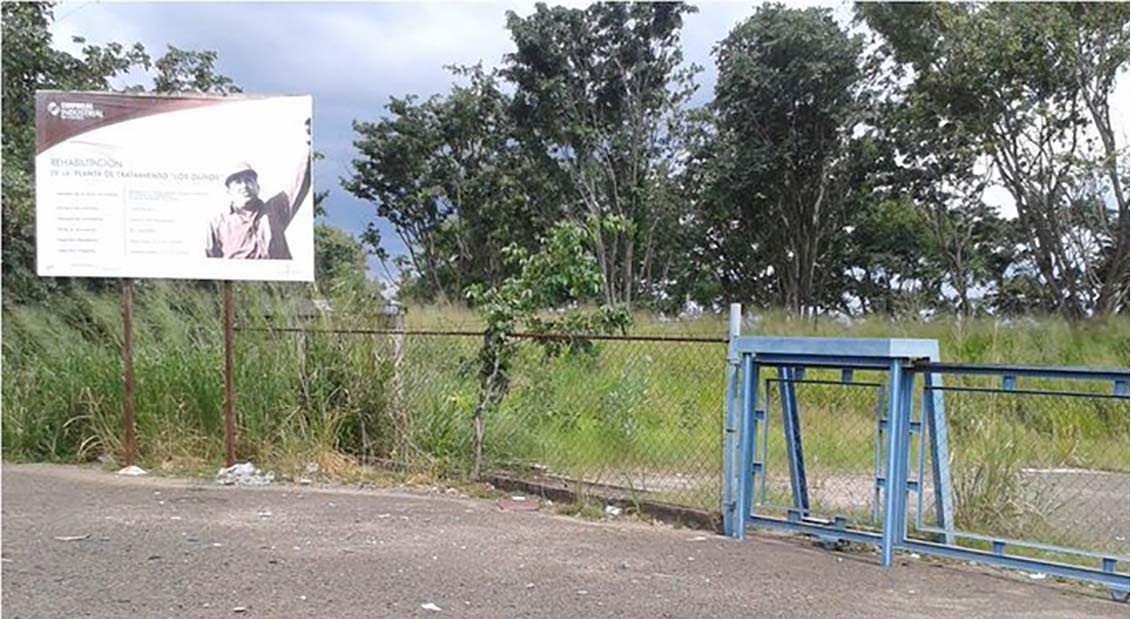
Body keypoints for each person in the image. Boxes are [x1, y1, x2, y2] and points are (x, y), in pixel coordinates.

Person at [205, 141, 311, 260]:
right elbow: (209, 261)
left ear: (258, 187)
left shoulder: (274, 210)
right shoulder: (217, 223)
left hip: (276, 277)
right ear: (229, 192)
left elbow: (299, 183)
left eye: (248, 180)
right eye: (238, 182)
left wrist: (309, 145)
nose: (244, 186)